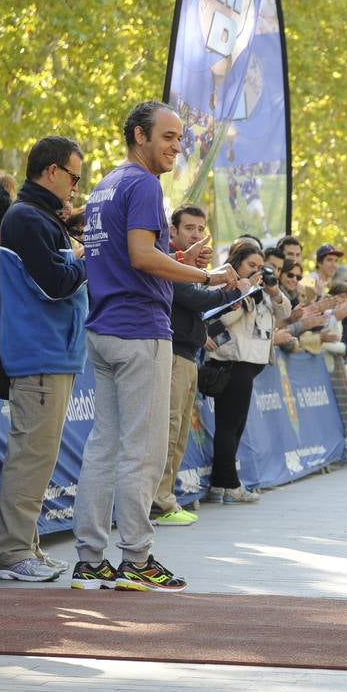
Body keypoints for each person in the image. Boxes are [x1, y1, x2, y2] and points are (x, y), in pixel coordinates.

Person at [71, 101, 234, 592]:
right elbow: (142, 258)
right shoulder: (143, 185)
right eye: (168, 136)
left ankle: (90, 561)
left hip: (104, 329)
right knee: (142, 450)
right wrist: (205, 273)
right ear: (139, 136)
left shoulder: (106, 185)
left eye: (180, 138)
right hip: (139, 330)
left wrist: (177, 259)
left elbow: (129, 256)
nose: (176, 147)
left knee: (104, 447)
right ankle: (137, 559)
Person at [0, 136, 89, 582]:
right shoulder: (28, 218)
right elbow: (55, 282)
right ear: (51, 171)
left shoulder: (40, 217)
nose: (75, 186)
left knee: (40, 456)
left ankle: (25, 546)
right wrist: (89, 256)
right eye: (74, 176)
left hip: (53, 351)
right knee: (31, 456)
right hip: (39, 353)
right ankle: (14, 554)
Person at [151, 204, 233, 526]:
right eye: (189, 229)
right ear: (173, 231)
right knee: (167, 431)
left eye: (201, 229)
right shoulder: (169, 262)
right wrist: (229, 290)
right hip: (170, 354)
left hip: (188, 355)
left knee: (179, 432)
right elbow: (195, 300)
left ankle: (166, 498)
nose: (196, 235)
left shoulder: (188, 267)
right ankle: (159, 503)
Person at [202, 240, 291, 504]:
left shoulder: (263, 288)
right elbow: (220, 319)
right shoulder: (224, 282)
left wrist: (272, 290)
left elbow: (285, 311)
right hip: (231, 362)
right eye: (251, 265)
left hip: (250, 365)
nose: (257, 270)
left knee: (236, 425)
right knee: (229, 426)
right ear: (237, 262)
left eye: (260, 267)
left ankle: (221, 484)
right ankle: (229, 484)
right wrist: (242, 295)